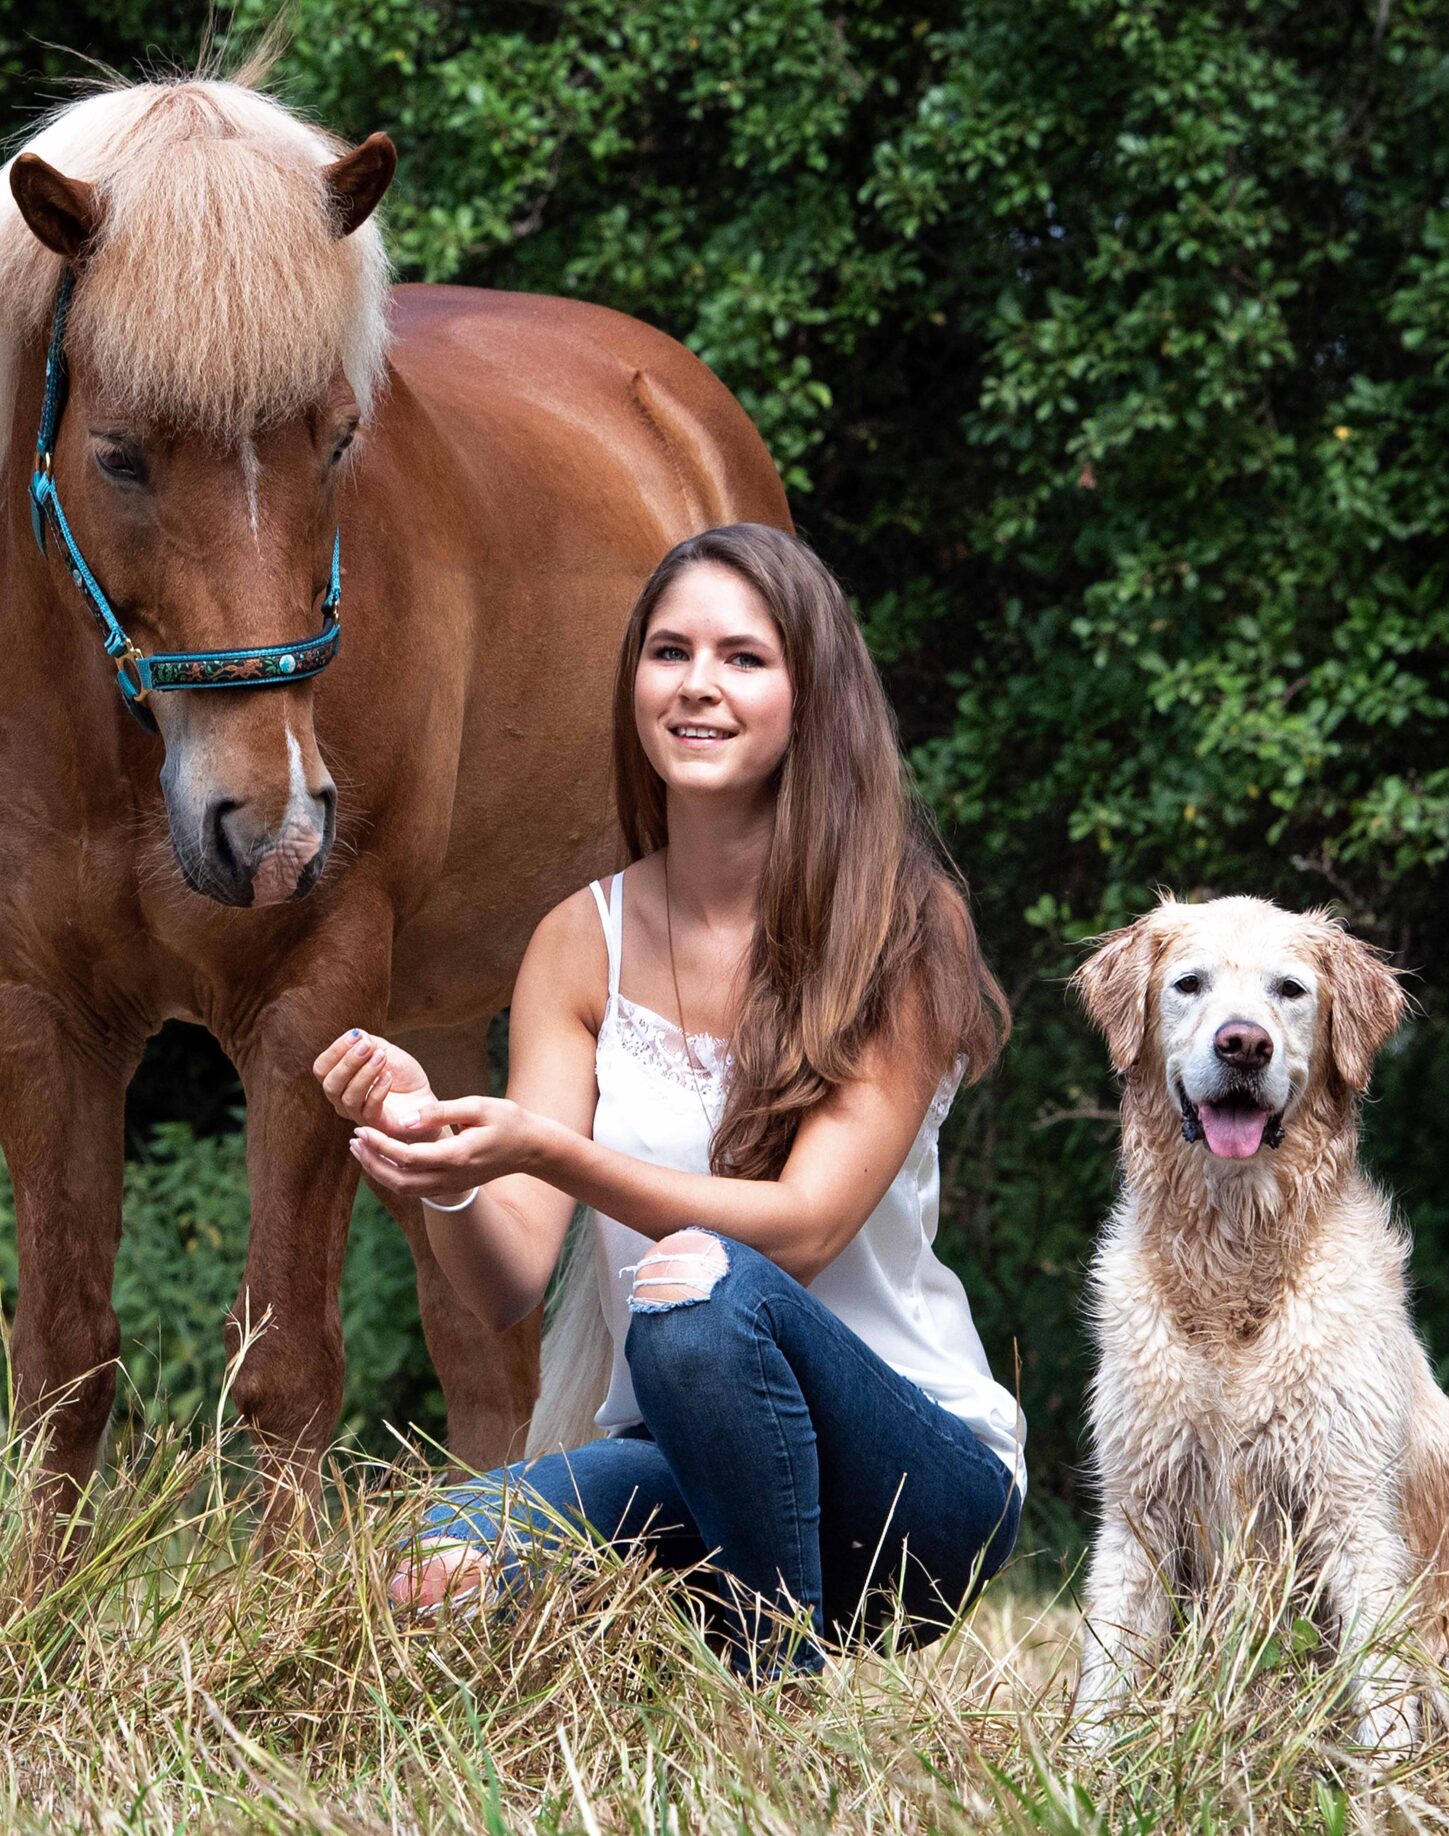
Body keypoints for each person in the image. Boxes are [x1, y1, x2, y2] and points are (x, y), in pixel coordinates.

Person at [314, 523, 1023, 1675]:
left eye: (743, 658)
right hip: (686, 1467)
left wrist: (548, 1152)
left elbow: (806, 1227)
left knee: (690, 1288)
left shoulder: (898, 924)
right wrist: (436, 1160)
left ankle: (773, 1699)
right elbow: (506, 1288)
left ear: (810, 694)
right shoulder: (576, 941)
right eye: (668, 651)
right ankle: (695, 1654)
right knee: (435, 1570)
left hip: (911, 1492)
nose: (698, 685)